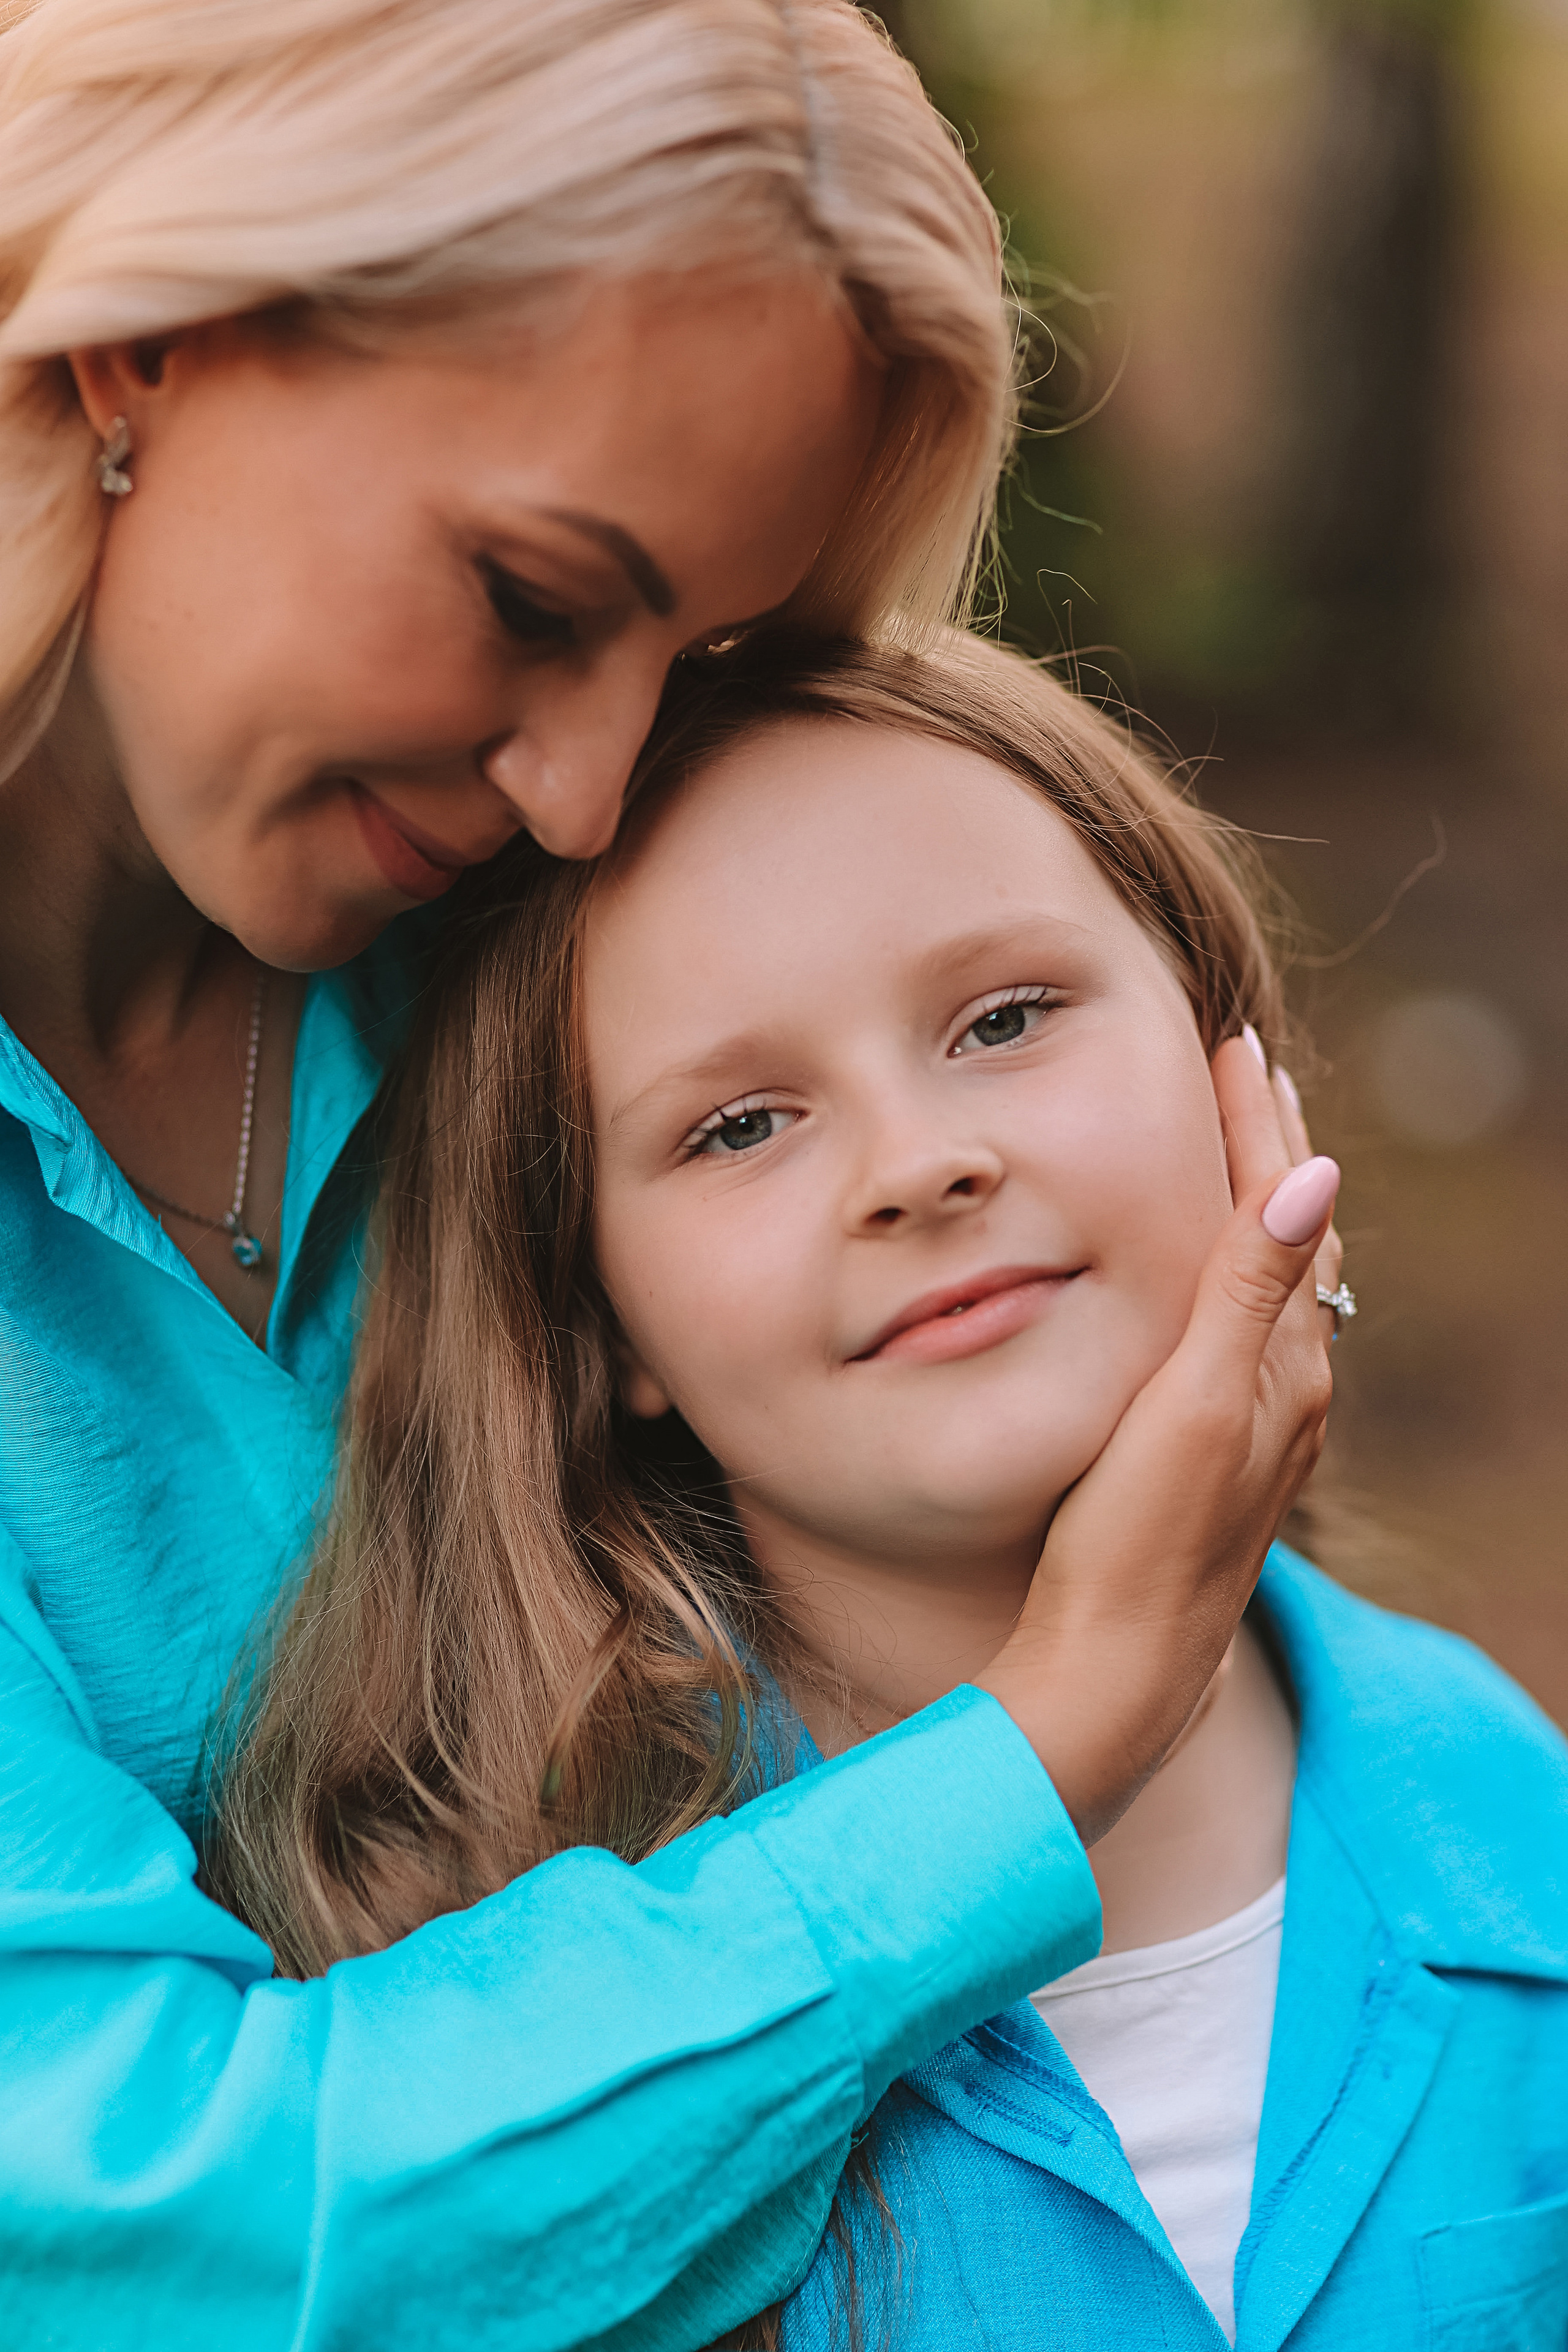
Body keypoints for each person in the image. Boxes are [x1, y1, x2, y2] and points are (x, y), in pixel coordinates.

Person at [0, 3, 1334, 2344]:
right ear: (145, 345)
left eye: (694, 646)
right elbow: (156, 2236)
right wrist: (1047, 1745)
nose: (592, 792)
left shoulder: (576, 961)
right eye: (533, 597)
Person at [211, 631, 1568, 2352]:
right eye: (740, 1125)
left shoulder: (1512, 1819)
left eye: (1005, 1019)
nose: (919, 1166)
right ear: (599, 1317)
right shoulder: (480, 1957)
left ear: (1235, 1078)